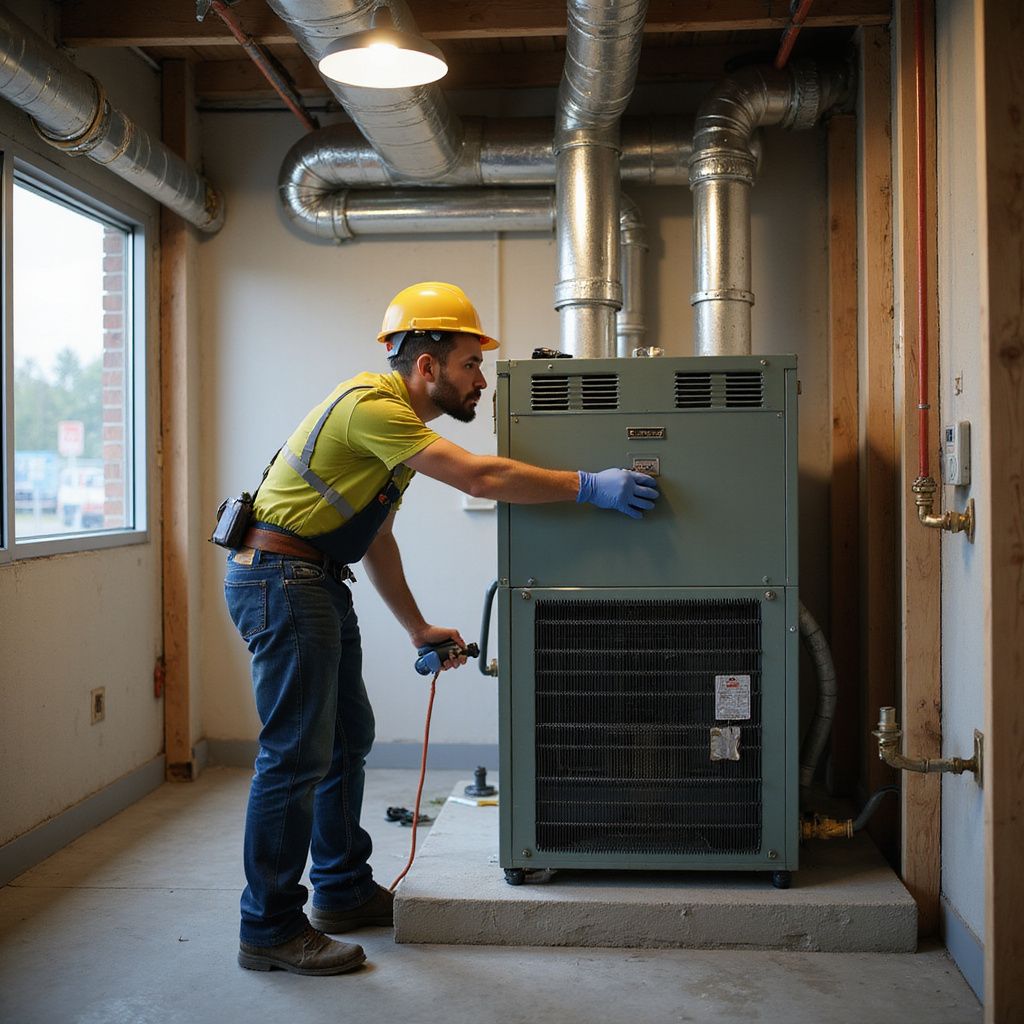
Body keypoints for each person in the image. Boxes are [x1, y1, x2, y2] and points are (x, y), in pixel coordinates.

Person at [224, 281, 660, 975]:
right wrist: (589, 487)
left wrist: (417, 626)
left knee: (345, 742)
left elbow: (377, 540)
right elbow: (481, 478)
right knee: (296, 756)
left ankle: (338, 891)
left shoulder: (391, 428)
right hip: (281, 582)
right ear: (425, 365)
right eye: (469, 363)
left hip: (310, 582)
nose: (480, 380)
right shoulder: (374, 408)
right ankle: (268, 927)